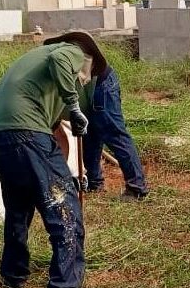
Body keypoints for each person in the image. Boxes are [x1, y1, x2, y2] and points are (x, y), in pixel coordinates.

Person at [0, 32, 107, 288]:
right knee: (65, 209)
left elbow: (53, 138)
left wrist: (62, 173)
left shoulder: (33, 66)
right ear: (86, 58)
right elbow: (62, 61)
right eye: (86, 76)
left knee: (18, 206)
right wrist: (74, 106)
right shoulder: (71, 51)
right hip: (27, 133)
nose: (84, 79)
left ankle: (13, 275)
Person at [45, 34, 149, 202]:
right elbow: (58, 136)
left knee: (113, 133)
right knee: (90, 136)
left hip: (100, 84)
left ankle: (137, 188)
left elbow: (57, 138)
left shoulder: (62, 60)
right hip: (85, 93)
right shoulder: (41, 95)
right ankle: (94, 184)